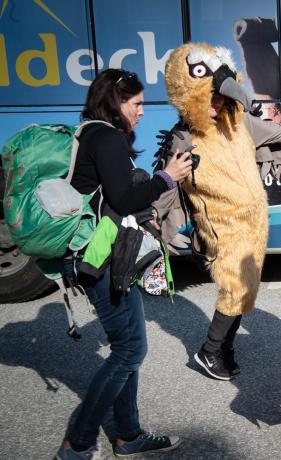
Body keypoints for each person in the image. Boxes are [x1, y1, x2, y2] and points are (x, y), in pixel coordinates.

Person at [56, 69, 192, 459]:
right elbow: (124, 197)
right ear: (116, 102)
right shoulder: (107, 137)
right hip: (99, 258)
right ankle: (78, 443)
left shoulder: (93, 134)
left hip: (108, 252)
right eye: (136, 104)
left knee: (129, 346)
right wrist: (168, 177)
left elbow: (116, 197)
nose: (142, 112)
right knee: (129, 350)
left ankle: (128, 435)